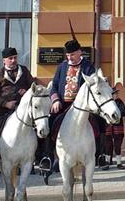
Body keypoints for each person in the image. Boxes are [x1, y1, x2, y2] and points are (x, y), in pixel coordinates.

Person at [40, 24, 97, 174]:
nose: (69, 58)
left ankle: (100, 154)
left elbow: (94, 85)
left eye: (72, 55)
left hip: (82, 107)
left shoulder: (88, 66)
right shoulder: (62, 67)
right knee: (50, 123)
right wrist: (55, 100)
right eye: (68, 55)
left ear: (79, 52)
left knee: (98, 123)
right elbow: (54, 86)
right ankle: (49, 157)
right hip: (64, 104)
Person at [0, 47, 33, 172]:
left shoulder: (25, 71)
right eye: (10, 58)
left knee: (39, 126)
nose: (13, 60)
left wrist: (27, 91)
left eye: (15, 58)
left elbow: (34, 87)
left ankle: (38, 158)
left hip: (23, 109)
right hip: (4, 109)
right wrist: (5, 104)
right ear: (4, 60)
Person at [102, 84, 125, 170]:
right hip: (109, 127)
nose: (116, 95)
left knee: (117, 145)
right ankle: (107, 162)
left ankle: (119, 163)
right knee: (108, 145)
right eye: (114, 94)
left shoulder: (119, 102)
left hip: (118, 127)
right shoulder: (107, 103)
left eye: (116, 94)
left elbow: (124, 111)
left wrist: (117, 114)